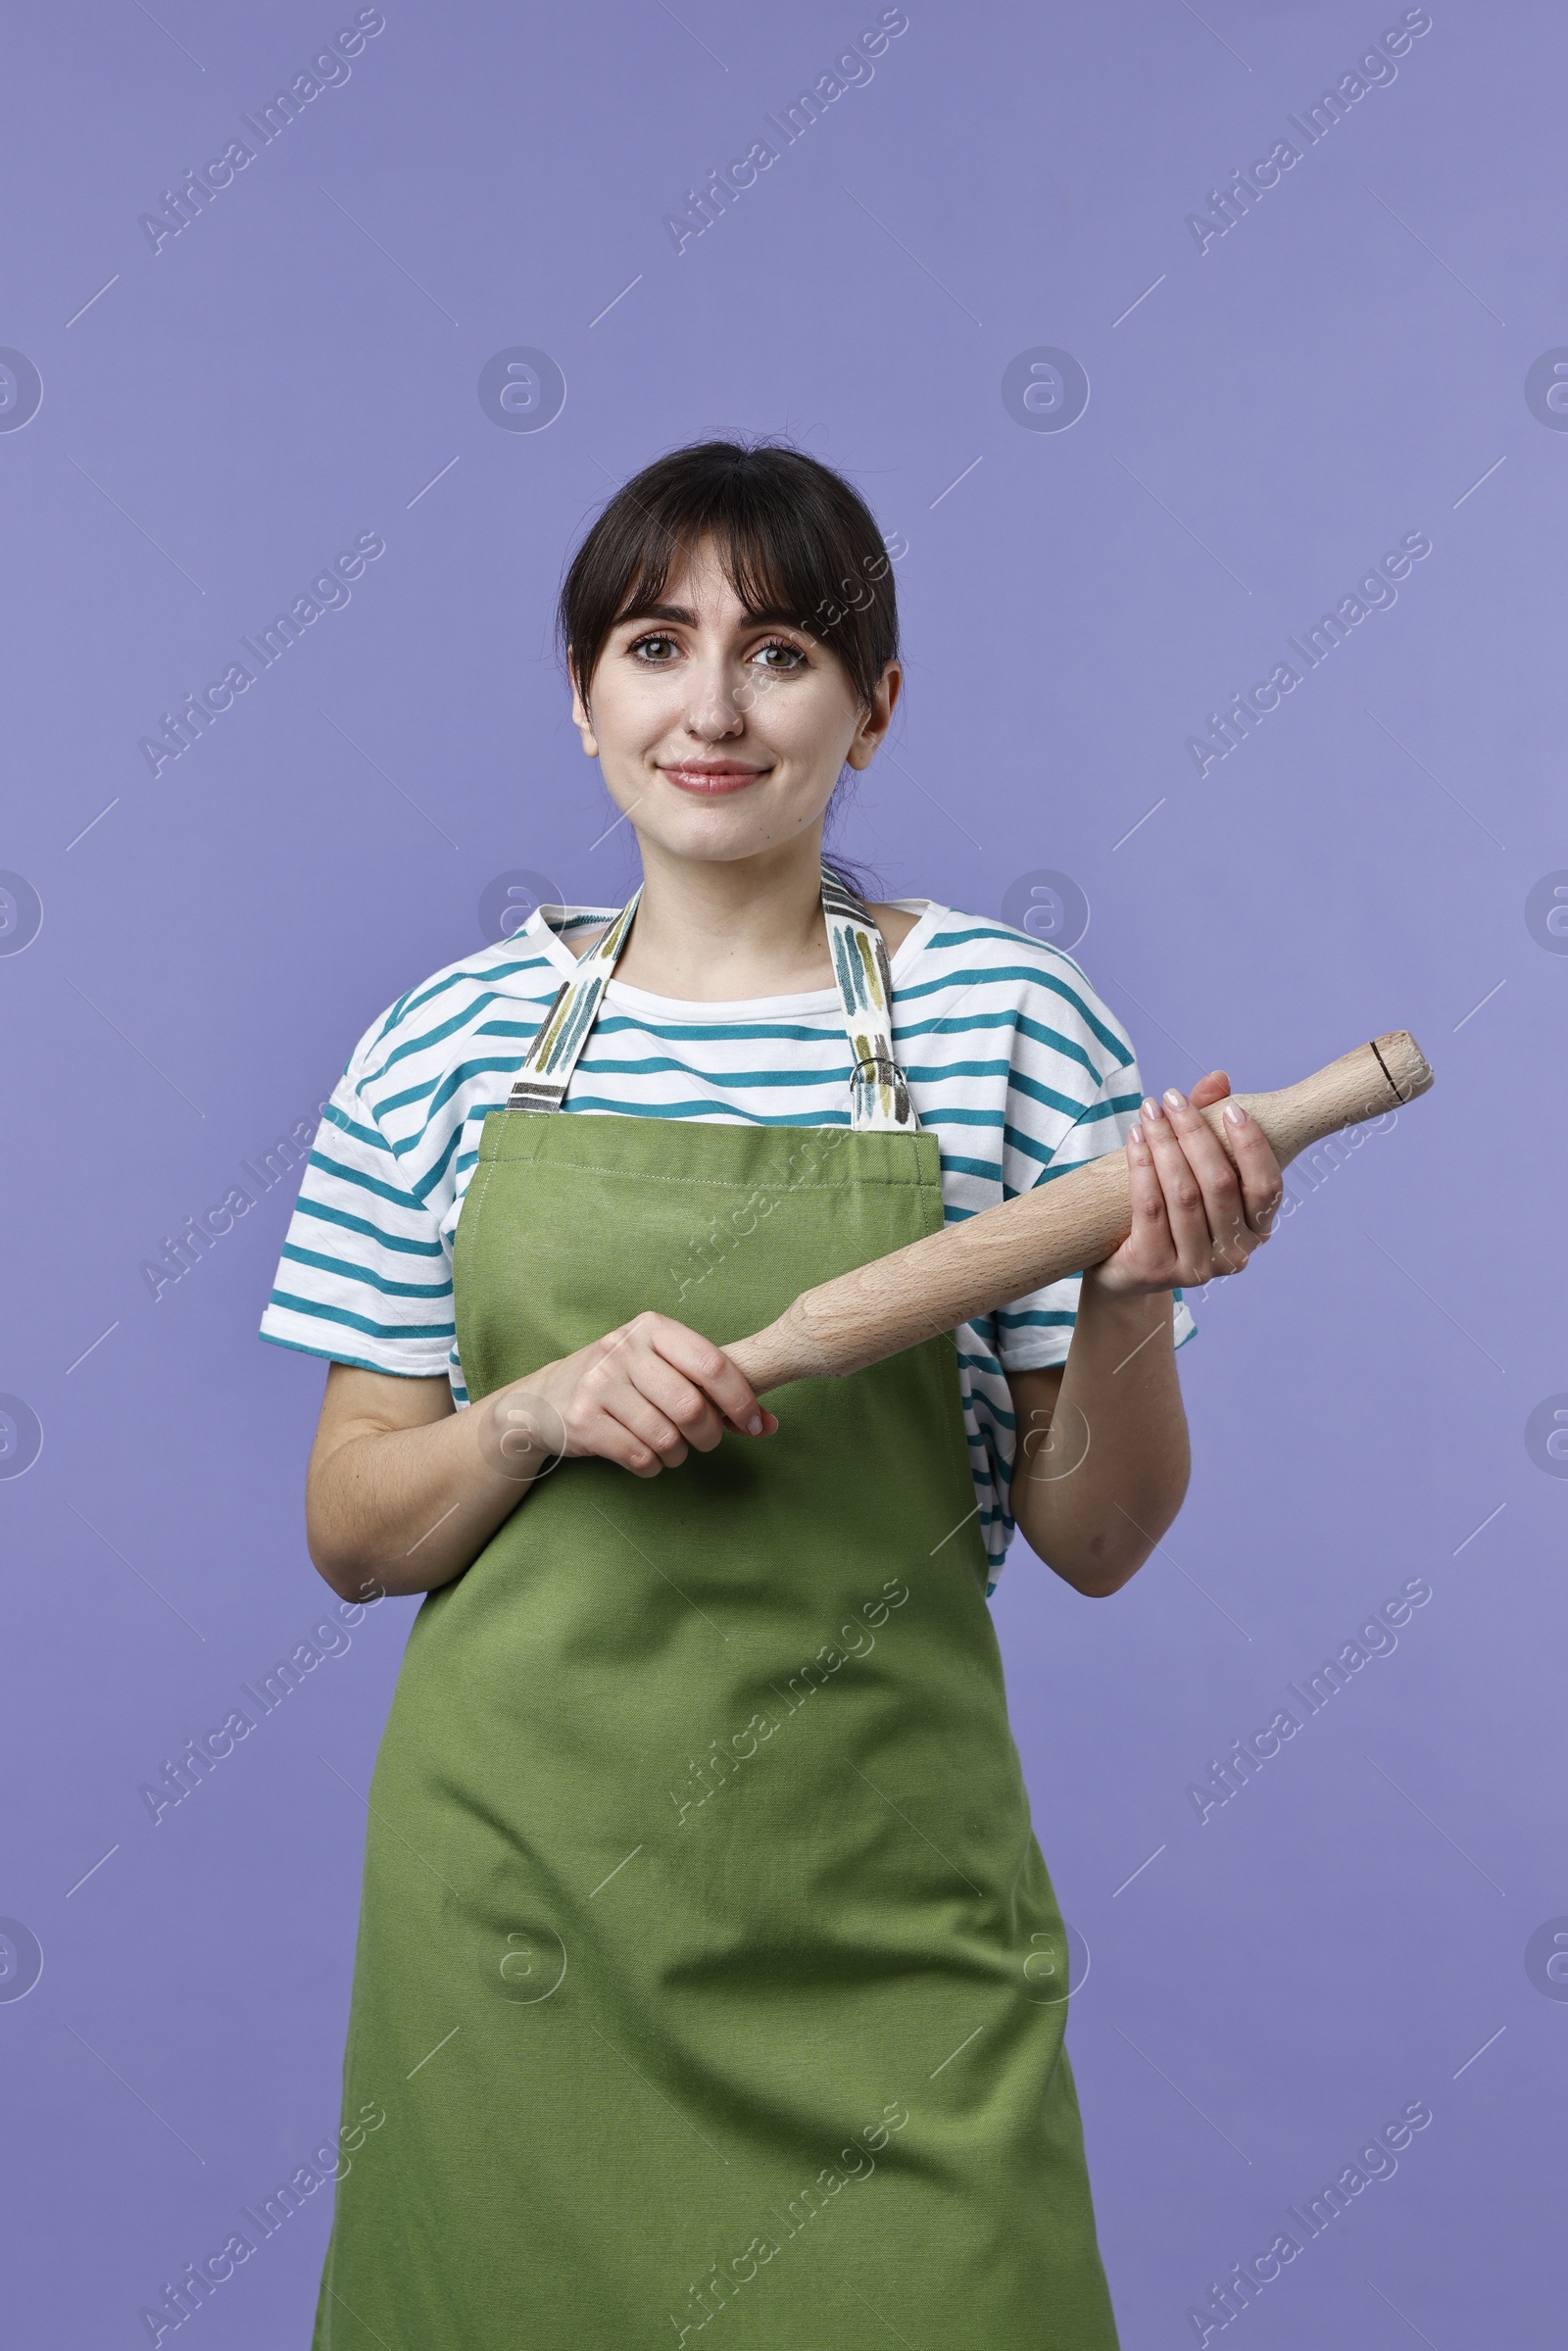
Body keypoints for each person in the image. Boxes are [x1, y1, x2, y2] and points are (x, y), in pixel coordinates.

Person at [260, 439, 1282, 2350]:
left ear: (872, 710)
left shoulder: (1009, 1020)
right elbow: (348, 1531)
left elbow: (1095, 1541)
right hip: (520, 1932)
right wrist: (525, 1415)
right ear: (581, 701)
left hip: (878, 1913)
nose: (711, 706)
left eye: (782, 651)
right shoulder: (443, 1044)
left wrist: (1126, 1298)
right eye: (655, 645)